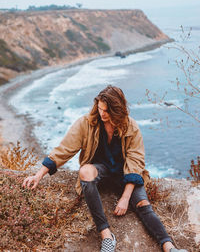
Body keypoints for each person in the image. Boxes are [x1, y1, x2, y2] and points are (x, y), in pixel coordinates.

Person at [23, 85, 188, 252]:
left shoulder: (131, 127)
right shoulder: (86, 122)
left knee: (143, 203)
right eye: (100, 108)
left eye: (107, 111)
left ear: (118, 110)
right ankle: (107, 236)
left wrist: (125, 197)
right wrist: (38, 175)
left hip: (125, 174)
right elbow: (63, 150)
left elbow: (135, 161)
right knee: (85, 172)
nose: (102, 113)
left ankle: (169, 246)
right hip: (100, 171)